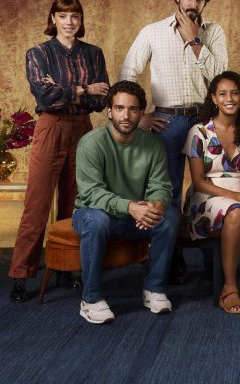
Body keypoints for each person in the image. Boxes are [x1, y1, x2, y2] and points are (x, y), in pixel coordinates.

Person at [120, 0, 228, 283]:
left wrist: (195, 40)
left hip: (205, 120)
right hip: (167, 121)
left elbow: (222, 77)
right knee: (166, 193)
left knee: (210, 189)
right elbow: (128, 72)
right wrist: (140, 116)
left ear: (205, 2)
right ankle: (170, 263)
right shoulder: (152, 32)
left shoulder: (213, 32)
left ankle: (214, 265)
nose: (194, 3)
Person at [8, 0, 109, 303]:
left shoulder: (93, 54)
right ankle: (21, 274)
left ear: (81, 20)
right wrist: (83, 88)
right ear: (53, 18)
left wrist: (66, 90)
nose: (69, 22)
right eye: (63, 16)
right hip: (50, 127)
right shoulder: (38, 53)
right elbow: (46, 96)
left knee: (75, 202)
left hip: (83, 130)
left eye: (75, 16)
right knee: (37, 204)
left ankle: (67, 268)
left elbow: (101, 99)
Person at [73, 81, 179, 324]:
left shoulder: (153, 144)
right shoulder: (91, 142)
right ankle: (90, 299)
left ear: (141, 113)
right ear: (109, 111)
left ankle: (154, 289)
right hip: (94, 214)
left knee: (169, 216)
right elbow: (91, 193)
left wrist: (155, 207)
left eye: (133, 109)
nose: (126, 115)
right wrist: (131, 207)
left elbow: (161, 186)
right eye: (119, 108)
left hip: (135, 218)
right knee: (96, 220)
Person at [182, 72, 240, 314]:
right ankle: (229, 288)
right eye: (222, 94)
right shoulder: (199, 132)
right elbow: (198, 182)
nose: (229, 99)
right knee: (236, 212)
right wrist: (234, 197)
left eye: (234, 93)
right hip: (205, 196)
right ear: (214, 98)